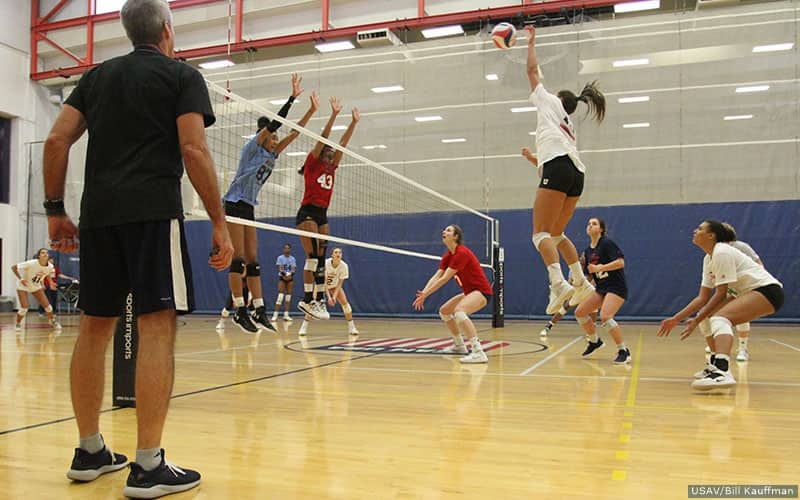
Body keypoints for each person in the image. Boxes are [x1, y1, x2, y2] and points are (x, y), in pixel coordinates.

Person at [43, 0, 234, 497]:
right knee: (155, 327)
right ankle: (148, 465)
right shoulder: (180, 76)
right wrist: (219, 221)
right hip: (152, 213)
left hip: (99, 216)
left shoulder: (96, 77)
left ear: (128, 32)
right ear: (168, 30)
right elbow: (193, 148)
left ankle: (89, 450)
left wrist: (53, 210)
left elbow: (56, 142)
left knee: (93, 328)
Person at [223, 75, 318, 334]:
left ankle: (260, 309)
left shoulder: (272, 153)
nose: (276, 141)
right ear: (264, 136)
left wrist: (310, 110)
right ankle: (240, 310)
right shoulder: (252, 148)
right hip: (233, 203)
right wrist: (292, 98)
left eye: (276, 139)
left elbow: (295, 133)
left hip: (249, 205)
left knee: (253, 261)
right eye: (273, 137)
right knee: (238, 260)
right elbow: (277, 123)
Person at [523, 26, 606, 316]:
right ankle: (581, 281)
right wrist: (535, 159)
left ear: (559, 98)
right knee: (557, 233)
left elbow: (532, 71)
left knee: (540, 235)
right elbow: (557, 166)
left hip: (559, 167)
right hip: (575, 173)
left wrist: (531, 42)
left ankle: (558, 284)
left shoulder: (548, 101)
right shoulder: (566, 123)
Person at [657, 220, 783, 390]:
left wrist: (694, 320)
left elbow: (720, 294)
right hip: (746, 292)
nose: (695, 231)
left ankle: (722, 372)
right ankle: (715, 365)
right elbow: (702, 298)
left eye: (700, 229)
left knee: (720, 319)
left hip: (767, 291)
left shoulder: (722, 252)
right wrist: (676, 319)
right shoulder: (708, 259)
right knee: (707, 318)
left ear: (711, 235)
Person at [296, 98, 360, 320]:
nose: (332, 152)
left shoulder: (332, 166)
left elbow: (342, 143)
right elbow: (323, 138)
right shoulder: (312, 163)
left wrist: (353, 123)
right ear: (321, 152)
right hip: (307, 212)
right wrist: (333, 116)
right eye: (328, 150)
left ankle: (319, 300)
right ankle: (306, 299)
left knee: (321, 256)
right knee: (312, 256)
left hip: (322, 213)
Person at [412, 225, 493, 364]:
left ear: (456, 236)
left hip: (482, 292)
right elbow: (436, 276)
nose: (444, 232)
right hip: (469, 292)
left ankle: (478, 352)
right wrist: (424, 293)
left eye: (448, 230)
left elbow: (444, 279)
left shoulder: (461, 253)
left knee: (460, 312)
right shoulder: (448, 255)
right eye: (444, 230)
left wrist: (426, 295)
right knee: (444, 311)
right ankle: (459, 346)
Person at [574, 218, 631, 364]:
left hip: (616, 287)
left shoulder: (606, 243)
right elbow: (591, 274)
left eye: (594, 224)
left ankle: (623, 350)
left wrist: (600, 267)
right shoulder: (587, 252)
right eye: (588, 223)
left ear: (601, 229)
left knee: (605, 316)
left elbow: (620, 263)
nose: (590, 225)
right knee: (580, 312)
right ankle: (594, 341)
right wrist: (578, 284)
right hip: (601, 288)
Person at [11, 248, 62, 331]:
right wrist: (21, 279)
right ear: (39, 255)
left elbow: (47, 273)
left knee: (48, 307)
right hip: (23, 286)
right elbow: (13, 267)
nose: (45, 254)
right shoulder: (31, 263)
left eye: (47, 253)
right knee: (24, 308)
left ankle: (52, 321)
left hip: (35, 286)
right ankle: (18, 323)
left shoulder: (50, 266)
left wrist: (51, 282)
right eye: (43, 253)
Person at [272, 243, 296, 322]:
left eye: (288, 248)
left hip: (290, 278)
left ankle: (286, 315)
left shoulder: (292, 259)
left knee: (288, 297)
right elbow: (280, 268)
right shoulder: (280, 258)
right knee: (280, 297)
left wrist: (290, 275)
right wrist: (284, 275)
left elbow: (293, 269)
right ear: (283, 249)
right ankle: (275, 315)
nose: (287, 249)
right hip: (282, 278)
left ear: (290, 249)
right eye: (285, 248)